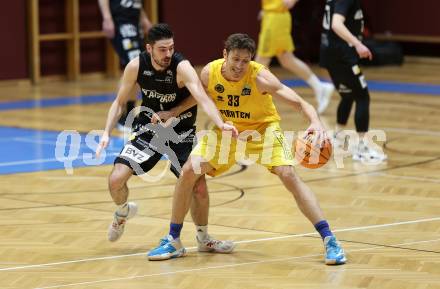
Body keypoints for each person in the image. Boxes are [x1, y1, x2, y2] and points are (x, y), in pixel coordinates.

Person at [148, 33, 346, 265]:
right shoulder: (209, 73)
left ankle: (329, 239)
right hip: (226, 131)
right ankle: (174, 239)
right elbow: (199, 97)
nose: (240, 66)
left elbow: (300, 103)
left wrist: (315, 121)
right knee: (189, 171)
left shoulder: (260, 76)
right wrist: (172, 112)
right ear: (225, 55)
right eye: (236, 59)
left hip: (263, 130)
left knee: (288, 174)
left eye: (245, 61)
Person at [95, 23, 237, 254]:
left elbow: (202, 95)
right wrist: (105, 132)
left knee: (198, 187)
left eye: (171, 48)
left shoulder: (182, 67)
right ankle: (122, 211)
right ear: (149, 48)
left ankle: (204, 238)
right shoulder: (136, 66)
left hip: (181, 133)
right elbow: (119, 102)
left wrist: (219, 123)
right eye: (162, 49)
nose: (168, 54)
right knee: (115, 180)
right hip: (149, 130)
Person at [319, 0, 387, 163]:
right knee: (363, 97)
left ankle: (336, 137)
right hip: (342, 56)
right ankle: (362, 149)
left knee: (348, 96)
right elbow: (336, 24)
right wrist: (358, 44)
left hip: (330, 55)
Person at [255, 0, 334, 114]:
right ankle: (319, 87)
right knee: (287, 59)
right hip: (273, 15)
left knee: (260, 62)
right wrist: (267, 8)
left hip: (276, 18)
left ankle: (253, 102)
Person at [98, 0, 152, 131]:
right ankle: (123, 117)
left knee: (139, 67)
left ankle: (128, 115)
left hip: (134, 22)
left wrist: (144, 18)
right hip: (120, 22)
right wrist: (107, 18)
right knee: (135, 66)